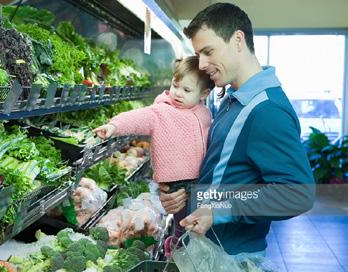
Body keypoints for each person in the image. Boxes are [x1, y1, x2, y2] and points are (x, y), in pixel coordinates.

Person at [159, 2, 315, 257]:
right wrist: (184, 195)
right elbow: (225, 171)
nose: (201, 64)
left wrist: (218, 210)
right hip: (205, 249)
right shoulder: (233, 98)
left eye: (208, 51)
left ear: (238, 40)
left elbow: (298, 193)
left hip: (231, 257)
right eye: (199, 54)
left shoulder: (266, 110)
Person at [94, 56, 214, 252]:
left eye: (187, 90)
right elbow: (139, 117)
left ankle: (181, 249)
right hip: (175, 184)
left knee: (194, 225)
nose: (178, 94)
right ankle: (174, 251)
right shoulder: (162, 111)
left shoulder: (204, 113)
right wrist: (114, 125)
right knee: (182, 224)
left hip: (199, 182)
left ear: (204, 93)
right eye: (175, 86)